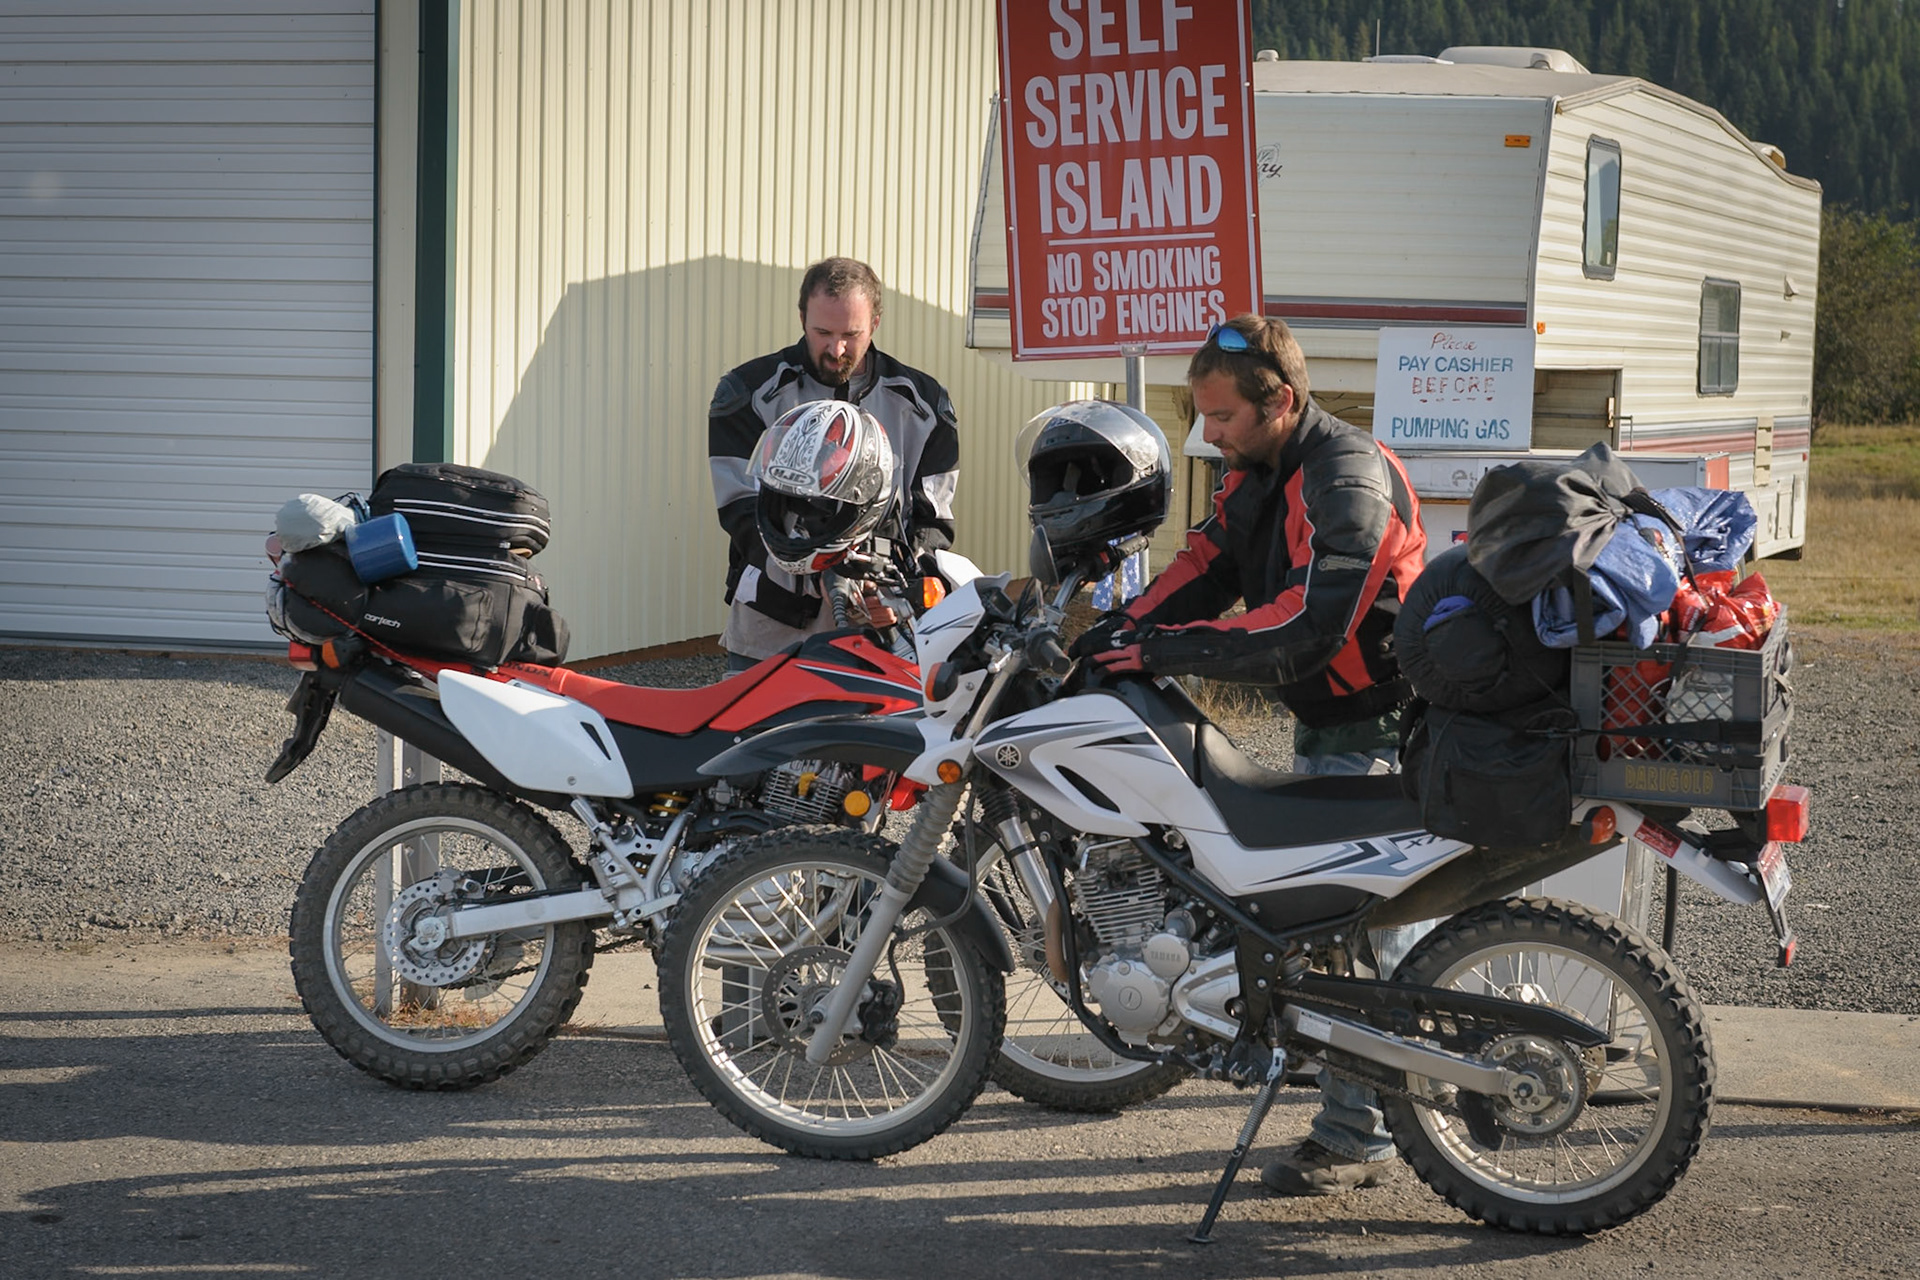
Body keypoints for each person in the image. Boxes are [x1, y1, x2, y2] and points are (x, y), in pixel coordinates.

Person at [1079, 314, 1432, 1197]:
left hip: (1386, 728)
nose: (1210, 434)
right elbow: (1205, 563)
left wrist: (1165, 652)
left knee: (1352, 929)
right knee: (1316, 921)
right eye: (1202, 417)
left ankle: (1360, 1134)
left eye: (1223, 417)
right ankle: (1351, 1095)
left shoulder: (1343, 479)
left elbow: (1309, 625)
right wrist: (1115, 632)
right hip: (1335, 723)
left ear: (1279, 402)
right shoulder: (1260, 472)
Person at [709, 257, 959, 671]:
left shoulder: (924, 405)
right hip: (773, 623)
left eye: (851, 334)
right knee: (758, 733)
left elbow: (934, 523)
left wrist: (899, 594)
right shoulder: (748, 392)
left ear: (875, 322)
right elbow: (739, 511)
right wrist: (819, 568)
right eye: (822, 332)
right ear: (802, 316)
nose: (836, 349)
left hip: (884, 624)